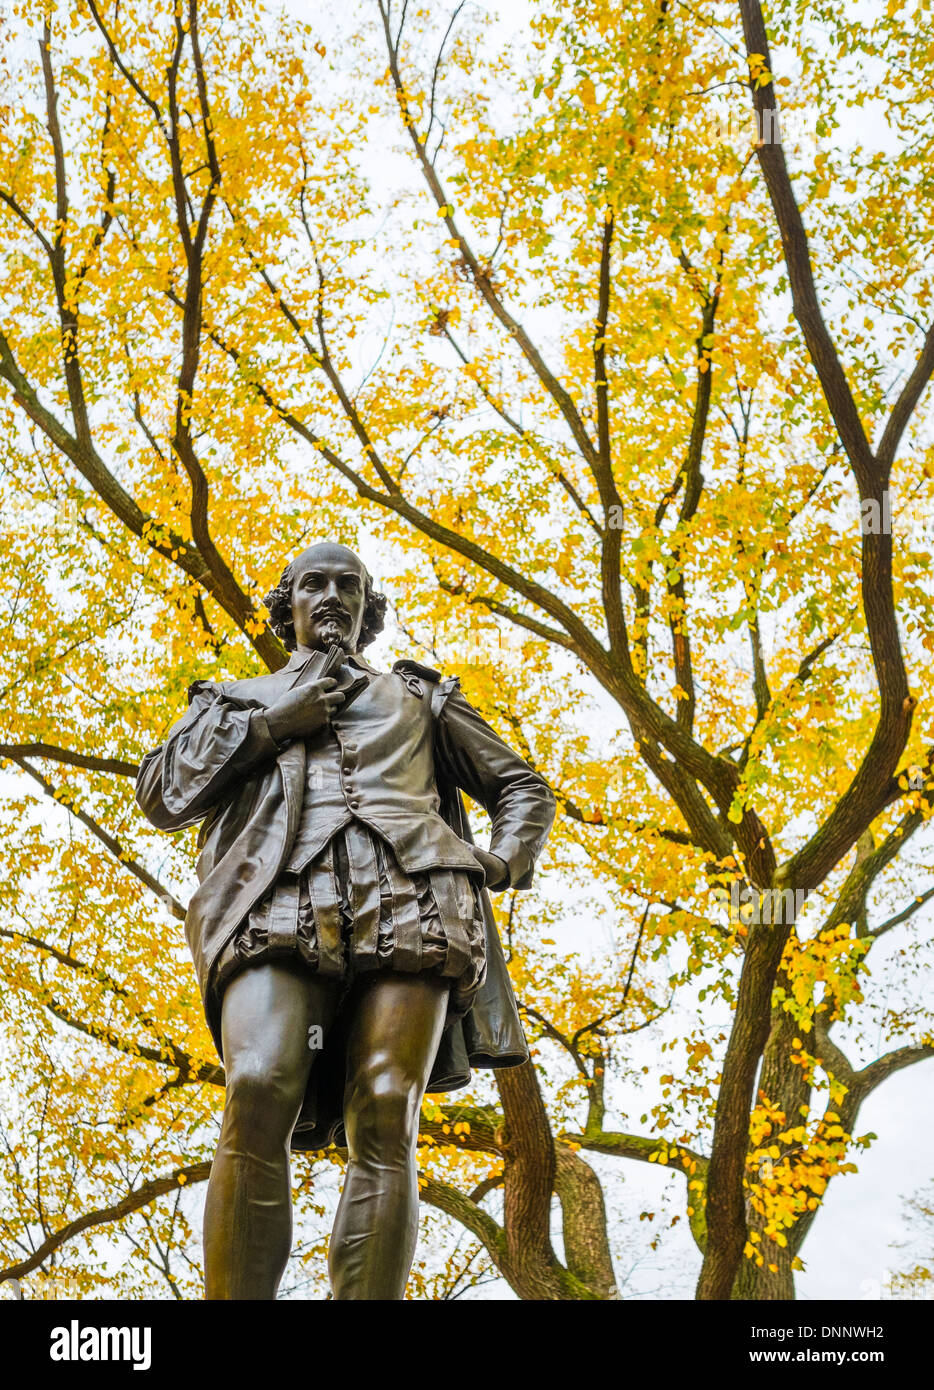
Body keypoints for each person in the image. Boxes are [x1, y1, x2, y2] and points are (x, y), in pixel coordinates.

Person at [136, 541, 556, 1300]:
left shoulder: (423, 697)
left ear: (368, 609)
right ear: (287, 604)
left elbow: (521, 785)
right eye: (314, 584)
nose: (332, 596)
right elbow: (163, 793)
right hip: (275, 898)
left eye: (349, 586)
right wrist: (267, 727)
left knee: (388, 1106)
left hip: (415, 898)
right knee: (258, 1083)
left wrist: (502, 860)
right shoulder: (233, 699)